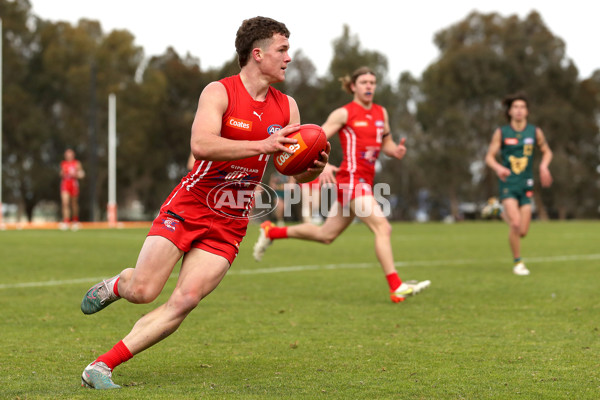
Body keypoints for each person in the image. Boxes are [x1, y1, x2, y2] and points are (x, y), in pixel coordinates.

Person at [79, 16, 329, 390]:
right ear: (257, 54)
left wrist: (313, 166)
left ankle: (100, 367)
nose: (288, 58)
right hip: (191, 203)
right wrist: (260, 145)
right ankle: (117, 285)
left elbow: (292, 171)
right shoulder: (220, 92)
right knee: (144, 291)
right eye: (282, 50)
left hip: (232, 219)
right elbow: (201, 144)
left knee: (185, 300)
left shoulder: (288, 107)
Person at [253, 66, 431, 303]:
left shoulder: (381, 113)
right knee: (382, 228)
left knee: (326, 234)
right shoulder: (344, 114)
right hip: (351, 180)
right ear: (353, 87)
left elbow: (385, 144)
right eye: (364, 82)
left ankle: (272, 231)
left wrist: (395, 150)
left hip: (365, 181)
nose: (369, 86)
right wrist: (323, 165)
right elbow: (315, 138)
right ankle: (396, 286)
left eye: (372, 82)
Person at [484, 92, 553, 275]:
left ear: (527, 111)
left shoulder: (535, 131)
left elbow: (547, 152)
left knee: (522, 231)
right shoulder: (501, 132)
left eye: (522, 107)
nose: (519, 110)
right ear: (510, 111)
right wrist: (499, 168)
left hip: (526, 184)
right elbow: (489, 157)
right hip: (508, 184)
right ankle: (518, 263)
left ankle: (497, 210)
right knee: (514, 224)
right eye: (515, 107)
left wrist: (544, 167)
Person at [59, 148, 85, 231]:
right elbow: (60, 174)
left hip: (73, 185)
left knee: (74, 204)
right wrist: (62, 173)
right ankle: (66, 221)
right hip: (65, 185)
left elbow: (82, 174)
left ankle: (75, 221)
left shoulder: (77, 163)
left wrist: (75, 174)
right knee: (65, 203)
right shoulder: (63, 164)